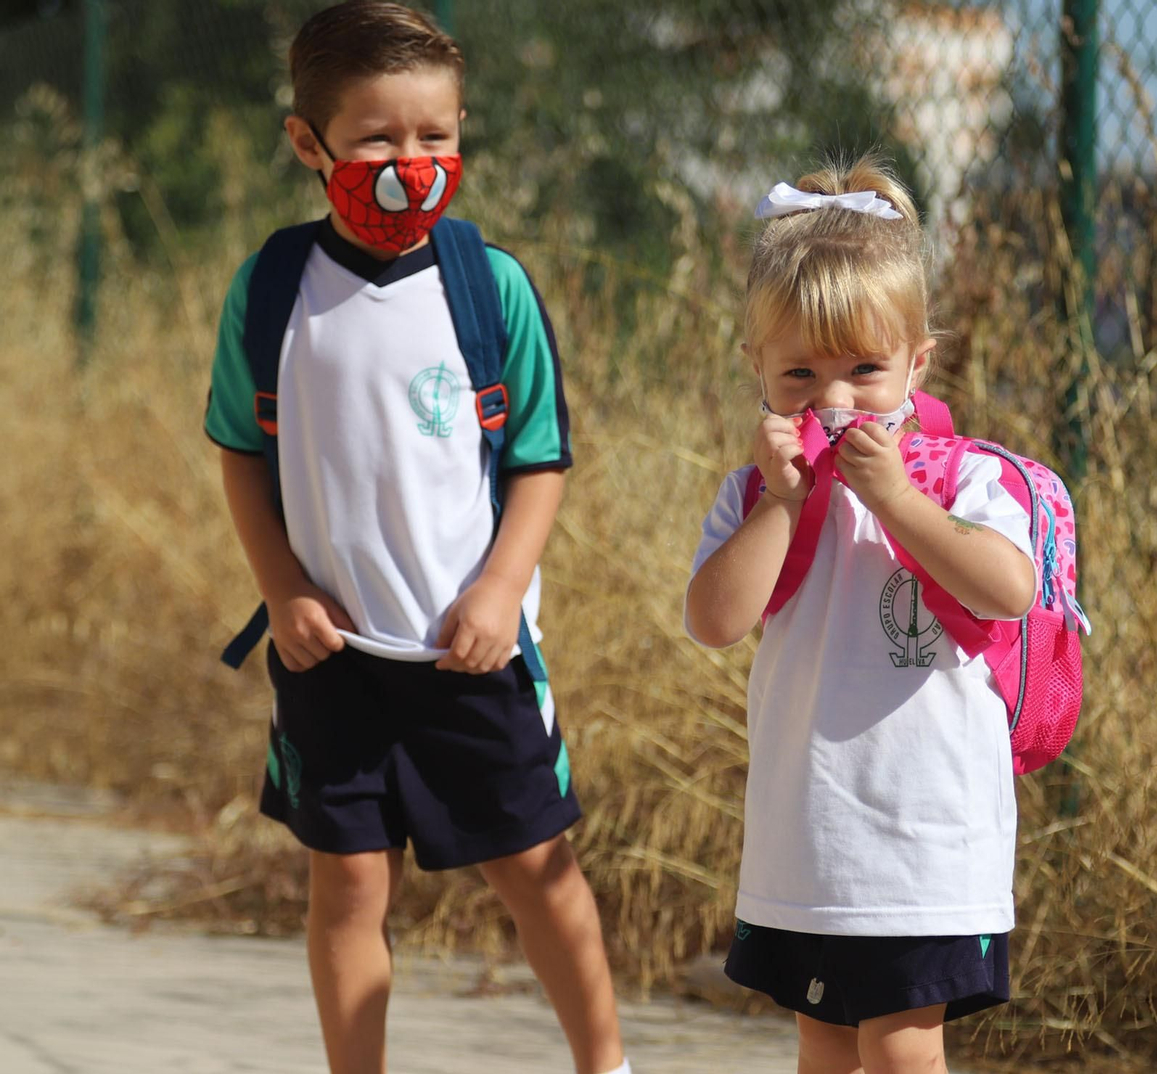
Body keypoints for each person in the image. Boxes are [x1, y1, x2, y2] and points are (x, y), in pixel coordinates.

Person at [204, 4, 628, 1071]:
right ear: (311, 145)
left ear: (462, 131)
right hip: (330, 658)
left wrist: (497, 593)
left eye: (435, 137)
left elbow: (539, 462)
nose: (411, 163)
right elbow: (242, 457)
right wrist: (285, 591)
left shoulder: (493, 290)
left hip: (470, 655)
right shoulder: (271, 293)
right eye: (378, 139)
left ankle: (607, 1064)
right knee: (346, 883)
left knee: (538, 870)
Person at [683, 154, 1039, 1074]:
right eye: (799, 373)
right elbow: (715, 620)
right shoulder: (758, 493)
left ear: (919, 363)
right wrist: (780, 504)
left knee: (903, 1055)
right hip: (808, 846)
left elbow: (1007, 589)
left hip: (926, 848)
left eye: (865, 371)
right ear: (755, 367)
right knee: (826, 1051)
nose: (833, 400)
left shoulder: (966, 478)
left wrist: (900, 503)